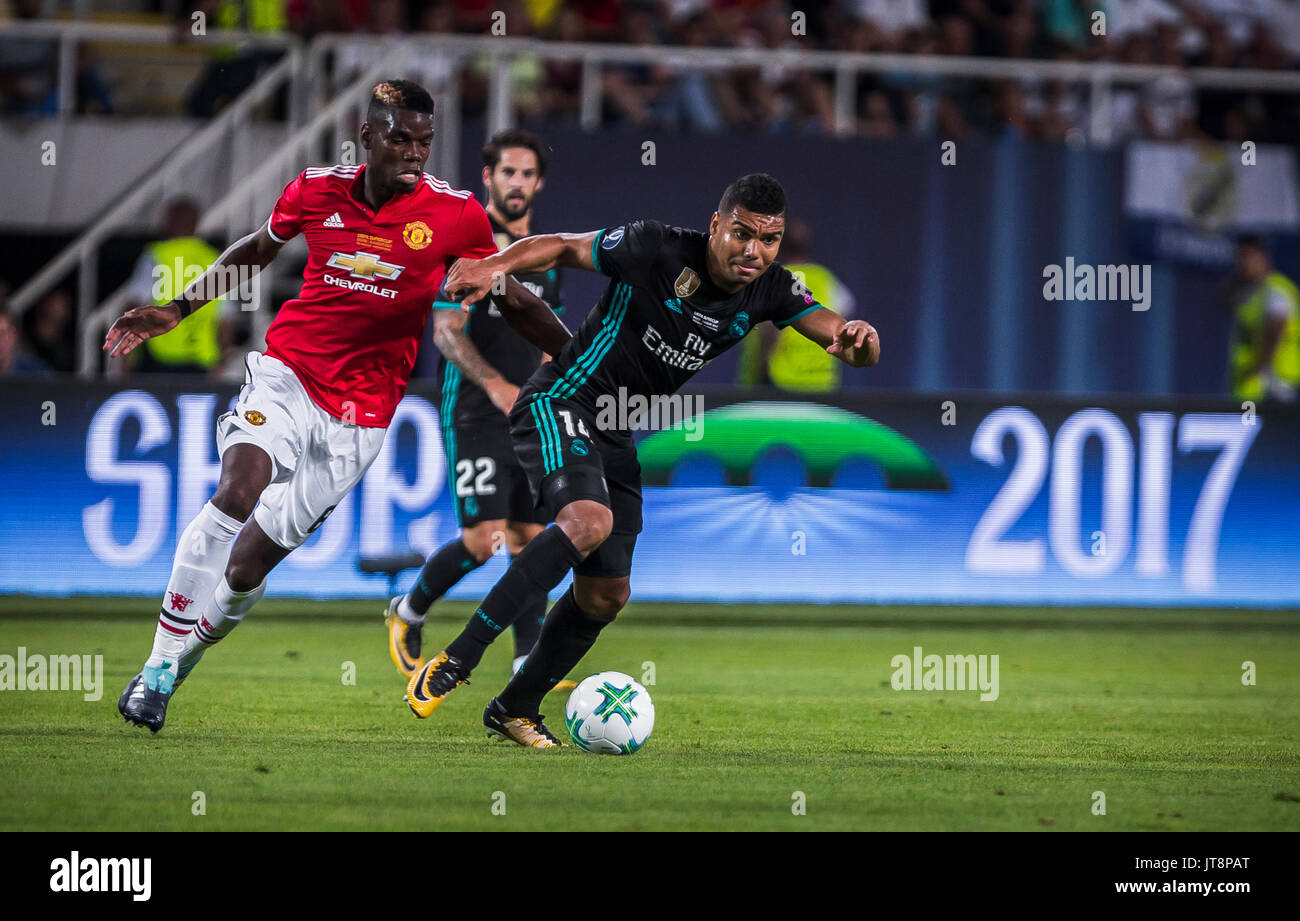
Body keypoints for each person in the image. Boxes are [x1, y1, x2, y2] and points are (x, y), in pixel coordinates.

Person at [105, 79, 565, 733]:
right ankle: (155, 669)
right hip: (287, 374)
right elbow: (258, 250)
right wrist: (178, 308)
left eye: (425, 142)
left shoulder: (456, 215)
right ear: (368, 136)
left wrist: (582, 358)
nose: (413, 153)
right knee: (238, 490)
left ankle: (176, 668)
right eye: (401, 139)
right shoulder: (316, 188)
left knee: (246, 569)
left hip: (361, 418)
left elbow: (514, 298)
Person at [409, 173, 879, 747]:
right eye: (741, 234)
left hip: (614, 427)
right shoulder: (654, 245)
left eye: (769, 239)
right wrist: (495, 265)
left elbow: (840, 335)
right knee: (587, 522)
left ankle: (514, 708)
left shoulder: (772, 289)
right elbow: (560, 244)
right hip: (562, 397)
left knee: (606, 594)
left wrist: (860, 339)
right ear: (715, 224)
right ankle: (461, 655)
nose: (754, 251)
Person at [387, 128, 572, 692]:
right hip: (475, 409)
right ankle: (409, 611)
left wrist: (549, 388)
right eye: (506, 172)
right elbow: (445, 331)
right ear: (488, 178)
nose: (516, 182)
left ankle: (524, 667)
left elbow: (549, 336)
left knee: (531, 538)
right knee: (482, 539)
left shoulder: (544, 258)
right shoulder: (469, 247)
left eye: (526, 173)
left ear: (538, 182)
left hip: (529, 410)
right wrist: (494, 384)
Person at [736, 219, 856, 392]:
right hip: (819, 380)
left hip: (777, 380)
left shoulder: (773, 279)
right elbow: (845, 318)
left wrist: (760, 369)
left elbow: (770, 329)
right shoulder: (824, 279)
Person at [124, 198, 235, 375]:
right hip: (202, 360)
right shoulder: (215, 259)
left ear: (168, 222)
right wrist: (223, 359)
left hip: (158, 356)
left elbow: (135, 308)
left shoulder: (157, 255)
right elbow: (225, 319)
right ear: (196, 224)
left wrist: (127, 357)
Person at [1226, 235, 1300, 403]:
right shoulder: (1250, 291)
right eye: (1241, 257)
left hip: (1277, 386)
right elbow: (1223, 300)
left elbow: (1277, 327)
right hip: (1255, 386)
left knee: (1277, 428)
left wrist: (1259, 367)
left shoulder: (1276, 289)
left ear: (1264, 258)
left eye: (1250, 256)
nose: (1244, 263)